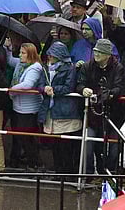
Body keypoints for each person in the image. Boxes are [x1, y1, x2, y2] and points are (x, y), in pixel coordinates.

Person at [79, 38, 125, 175]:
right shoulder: (87, 66)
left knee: (114, 148)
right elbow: (79, 83)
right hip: (93, 115)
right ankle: (89, 175)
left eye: (100, 52)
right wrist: (83, 89)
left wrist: (109, 94)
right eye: (95, 51)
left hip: (114, 114)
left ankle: (109, 175)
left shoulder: (118, 68)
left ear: (108, 54)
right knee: (89, 146)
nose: (96, 54)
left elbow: (120, 87)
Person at [43, 41, 81, 175]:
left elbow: (68, 87)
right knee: (55, 145)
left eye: (52, 55)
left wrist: (54, 89)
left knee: (65, 146)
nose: (50, 58)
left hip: (65, 112)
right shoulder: (47, 68)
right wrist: (44, 88)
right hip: (51, 111)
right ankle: (58, 171)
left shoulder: (70, 68)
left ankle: (67, 173)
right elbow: (41, 83)